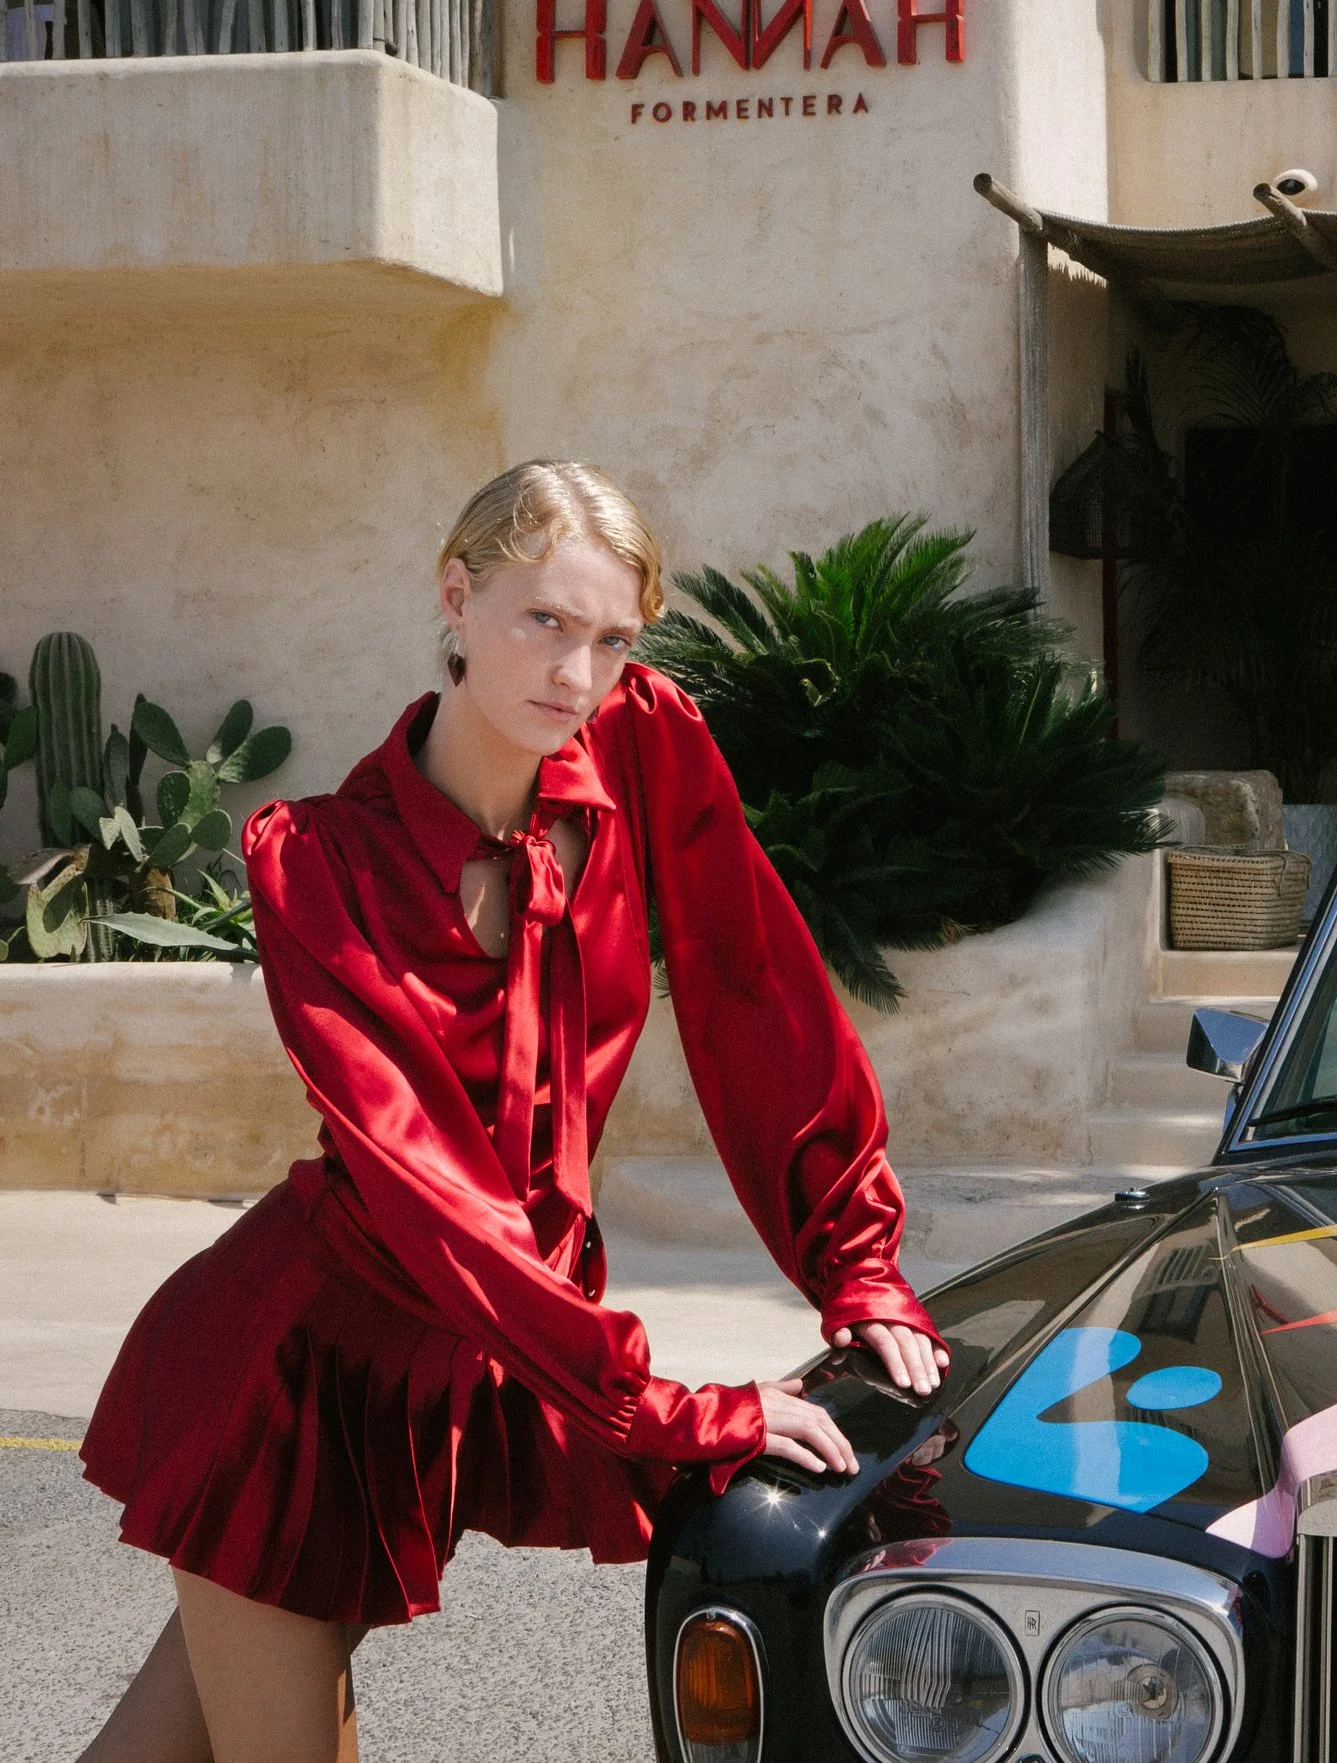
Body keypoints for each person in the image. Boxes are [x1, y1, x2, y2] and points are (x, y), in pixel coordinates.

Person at [75, 461, 947, 1763]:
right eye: (543, 622)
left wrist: (854, 1263)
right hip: (288, 1377)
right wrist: (672, 1404)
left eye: (611, 637)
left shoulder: (640, 744)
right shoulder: (319, 867)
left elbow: (750, 983)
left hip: (437, 1371)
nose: (576, 673)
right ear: (457, 595)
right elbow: (439, 1192)